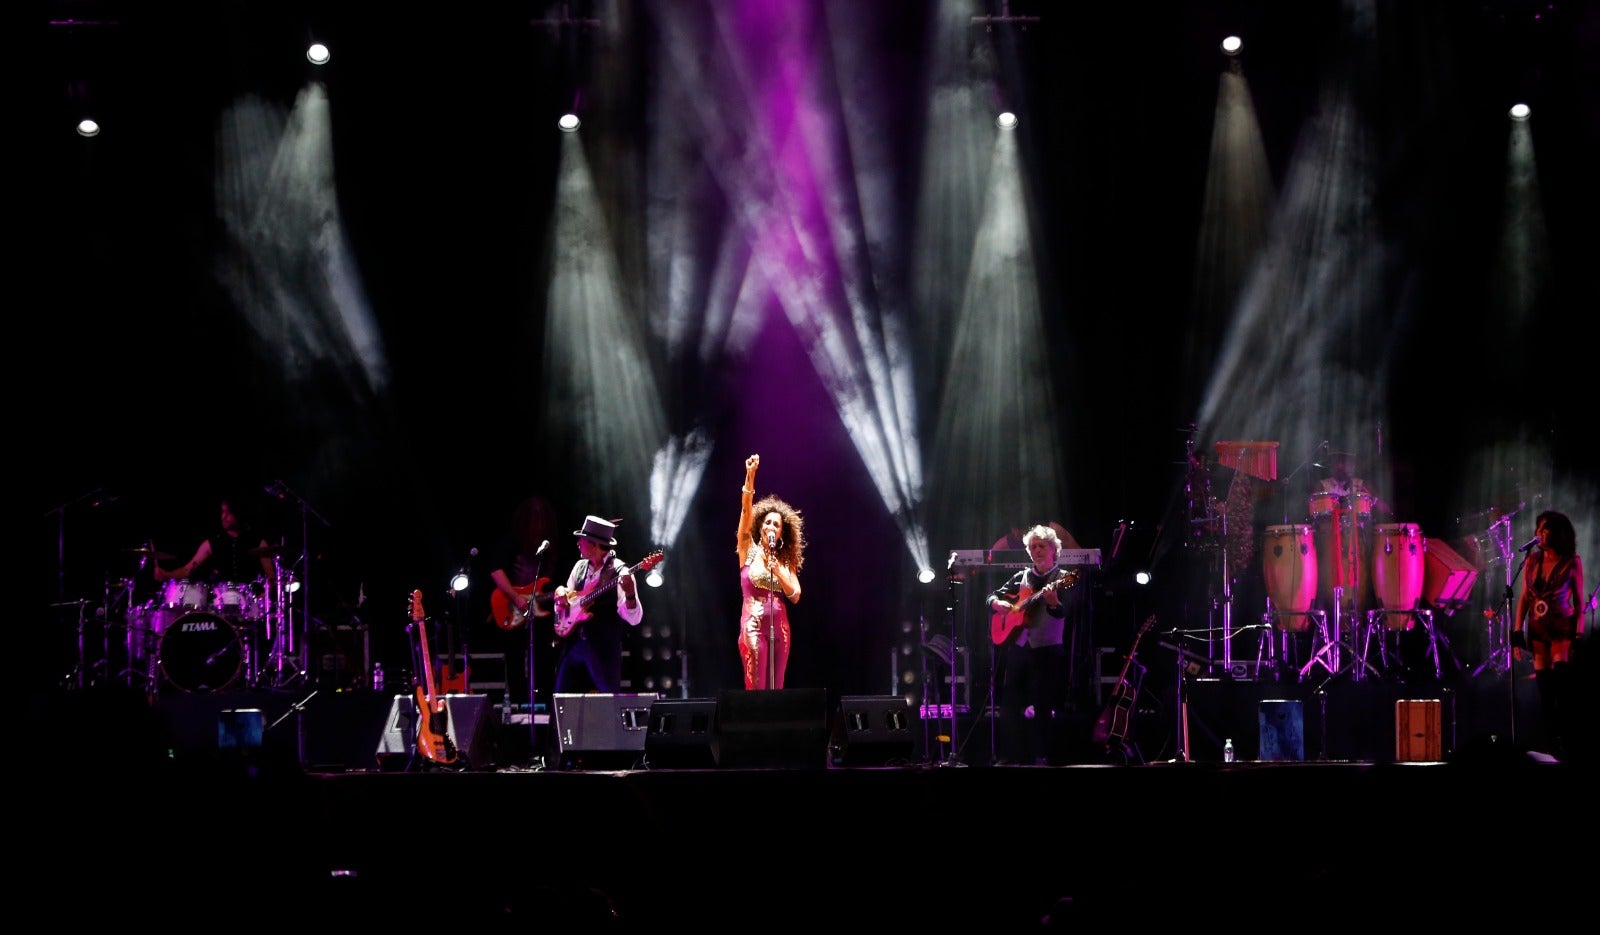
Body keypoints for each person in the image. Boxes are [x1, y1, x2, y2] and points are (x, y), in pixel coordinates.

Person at [986, 524, 1080, 765]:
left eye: (1041, 546)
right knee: (1009, 705)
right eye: (1033, 547)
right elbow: (992, 596)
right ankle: (1009, 756)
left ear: (1053, 550)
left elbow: (1063, 612)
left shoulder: (1063, 578)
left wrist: (1053, 603)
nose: (1037, 550)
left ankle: (1042, 756)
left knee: (1043, 705)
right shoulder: (1022, 576)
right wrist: (997, 604)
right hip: (1019, 649)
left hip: (1047, 650)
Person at [1511, 509, 1586, 758]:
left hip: (1561, 630)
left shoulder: (1571, 562)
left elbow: (1579, 603)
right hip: (1537, 630)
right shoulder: (1531, 560)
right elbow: (1522, 598)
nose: (1538, 533)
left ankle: (1566, 740)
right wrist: (1516, 631)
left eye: (1544, 528)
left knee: (1561, 690)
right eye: (1538, 528)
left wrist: (1579, 635)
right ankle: (1552, 742)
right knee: (1545, 692)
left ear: (1557, 532)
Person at [551, 515, 643, 694]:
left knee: (607, 705)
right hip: (574, 645)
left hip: (603, 651)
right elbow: (565, 603)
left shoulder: (620, 571)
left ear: (594, 545)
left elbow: (634, 619)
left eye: (583, 540)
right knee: (561, 700)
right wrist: (560, 594)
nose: (578, 543)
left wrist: (630, 594)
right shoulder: (579, 567)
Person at [736, 453, 805, 690]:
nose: (771, 526)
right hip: (753, 625)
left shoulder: (785, 562)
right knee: (757, 689)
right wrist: (750, 475)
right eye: (767, 522)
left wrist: (779, 570)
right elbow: (746, 511)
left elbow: (795, 594)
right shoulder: (748, 548)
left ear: (782, 532)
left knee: (778, 690)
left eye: (776, 524)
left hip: (781, 629)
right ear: (761, 526)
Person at [486, 495, 560, 708]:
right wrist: (517, 598)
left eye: (541, 515)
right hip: (512, 608)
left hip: (540, 611)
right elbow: (496, 570)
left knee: (544, 657)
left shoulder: (550, 546)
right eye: (533, 515)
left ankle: (544, 702)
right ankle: (518, 703)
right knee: (514, 659)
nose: (537, 521)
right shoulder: (512, 541)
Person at [152, 496, 278, 607]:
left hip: (251, 603)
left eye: (228, 513)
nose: (223, 517)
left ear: (238, 513)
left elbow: (272, 578)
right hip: (221, 603)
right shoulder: (211, 543)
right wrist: (166, 574)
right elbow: (187, 570)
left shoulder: (258, 542)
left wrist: (263, 596)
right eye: (222, 512)